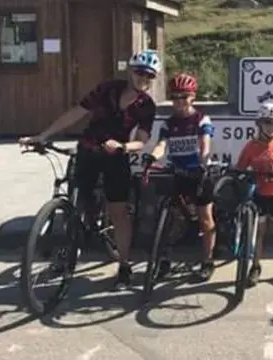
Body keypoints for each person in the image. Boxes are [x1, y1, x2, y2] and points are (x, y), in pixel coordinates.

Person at [18, 49, 162, 289]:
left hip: (115, 157)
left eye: (149, 76)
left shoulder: (146, 105)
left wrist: (123, 146)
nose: (144, 79)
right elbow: (77, 112)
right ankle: (67, 252)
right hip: (88, 150)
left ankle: (124, 265)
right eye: (139, 73)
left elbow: (142, 140)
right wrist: (43, 135)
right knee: (76, 205)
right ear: (130, 72)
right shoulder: (107, 89)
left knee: (119, 213)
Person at [146, 73, 218, 282]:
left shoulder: (201, 119)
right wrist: (152, 157)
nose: (179, 101)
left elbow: (205, 143)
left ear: (192, 97)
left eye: (184, 96)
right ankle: (165, 260)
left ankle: (207, 261)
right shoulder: (169, 123)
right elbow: (162, 145)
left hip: (198, 172)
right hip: (177, 172)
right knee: (168, 217)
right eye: (175, 97)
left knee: (206, 219)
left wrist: (203, 162)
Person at [235, 102, 273, 286]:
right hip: (258, 194)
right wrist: (243, 175)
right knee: (258, 232)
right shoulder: (251, 146)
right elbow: (241, 168)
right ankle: (255, 266)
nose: (271, 127)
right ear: (259, 123)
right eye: (267, 122)